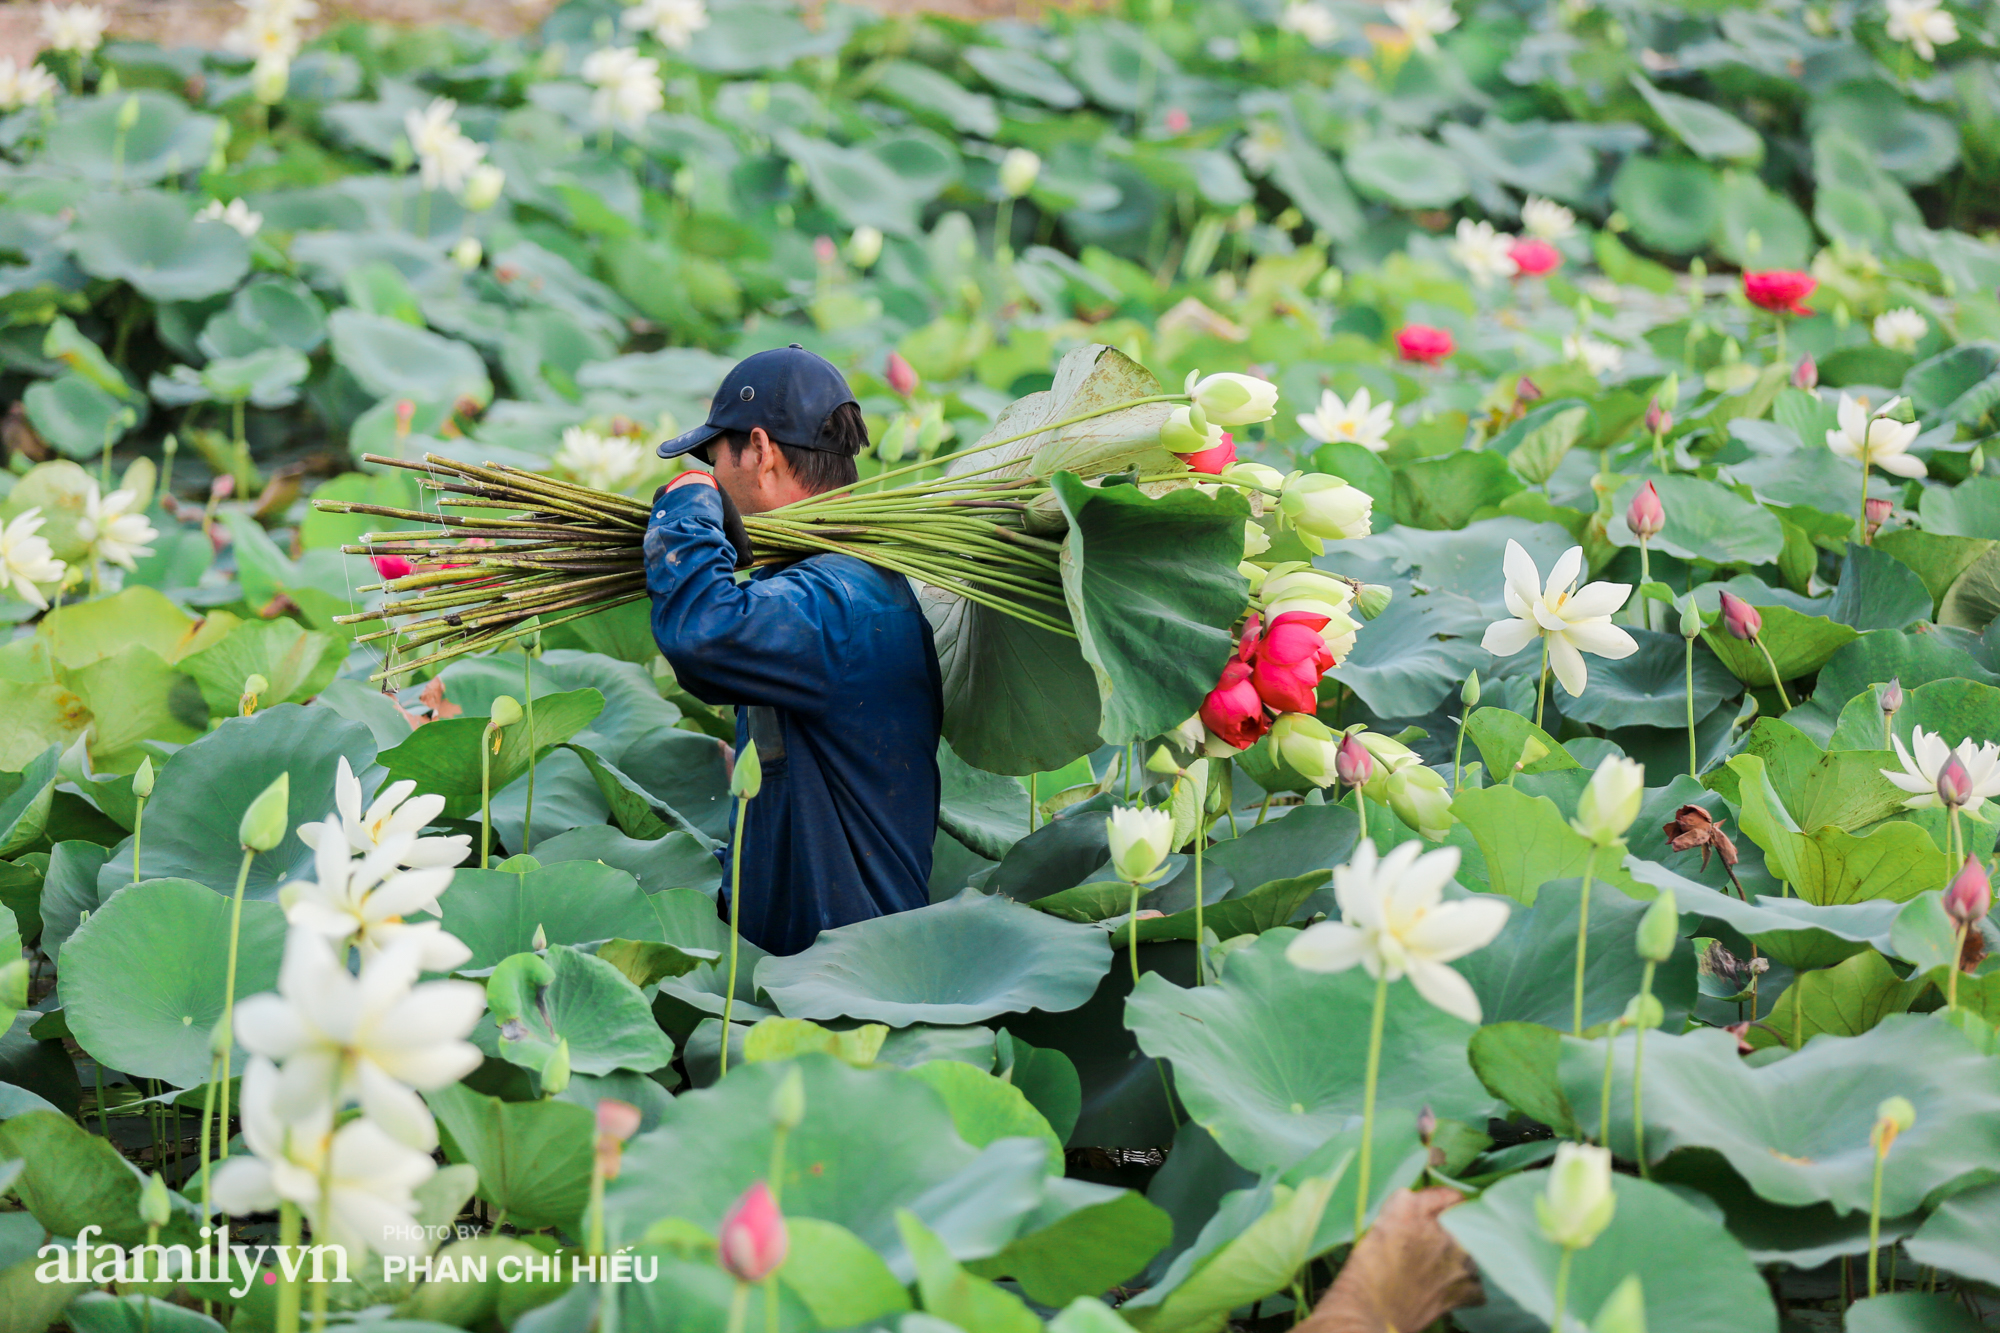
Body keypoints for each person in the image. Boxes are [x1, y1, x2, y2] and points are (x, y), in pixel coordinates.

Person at [643, 344, 942, 955]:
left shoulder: (841, 602)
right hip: (801, 971)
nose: (714, 476)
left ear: (760, 450)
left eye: (713, 459)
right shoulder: (829, 584)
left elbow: (704, 633)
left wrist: (688, 502)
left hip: (850, 984)